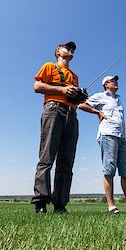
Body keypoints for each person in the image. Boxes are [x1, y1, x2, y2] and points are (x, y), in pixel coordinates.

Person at [79, 75, 126, 214]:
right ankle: (111, 206)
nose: (116, 82)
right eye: (113, 81)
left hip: (122, 137)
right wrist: (98, 112)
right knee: (109, 169)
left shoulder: (118, 99)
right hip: (108, 134)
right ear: (106, 84)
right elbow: (82, 105)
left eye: (116, 80)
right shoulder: (100, 96)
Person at [31, 41, 81, 214]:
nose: (71, 50)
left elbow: (75, 99)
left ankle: (60, 203)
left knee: (66, 161)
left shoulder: (75, 76)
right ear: (58, 52)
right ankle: (41, 202)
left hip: (72, 115)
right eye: (67, 47)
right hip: (53, 110)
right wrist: (62, 90)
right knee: (47, 157)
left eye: (73, 48)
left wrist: (79, 96)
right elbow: (37, 86)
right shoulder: (49, 66)